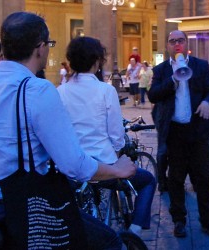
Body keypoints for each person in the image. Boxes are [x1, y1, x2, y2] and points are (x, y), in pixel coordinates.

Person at [0, 12, 135, 249]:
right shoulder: (36, 90)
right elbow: (73, 165)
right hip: (23, 209)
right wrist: (116, 169)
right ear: (40, 48)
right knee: (108, 240)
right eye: (48, 45)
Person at [57, 36, 156, 236]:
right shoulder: (105, 90)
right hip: (105, 164)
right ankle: (135, 230)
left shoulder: (61, 91)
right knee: (148, 181)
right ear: (96, 62)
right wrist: (119, 154)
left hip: (74, 166)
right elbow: (116, 134)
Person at [147, 30, 209, 238]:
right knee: (176, 179)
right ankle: (179, 220)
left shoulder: (200, 65)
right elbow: (153, 95)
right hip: (175, 132)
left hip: (197, 131)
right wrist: (173, 81)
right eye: (172, 41)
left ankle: (208, 220)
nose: (176, 44)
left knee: (204, 178)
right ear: (168, 46)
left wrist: (207, 102)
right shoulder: (161, 70)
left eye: (180, 40)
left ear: (186, 43)